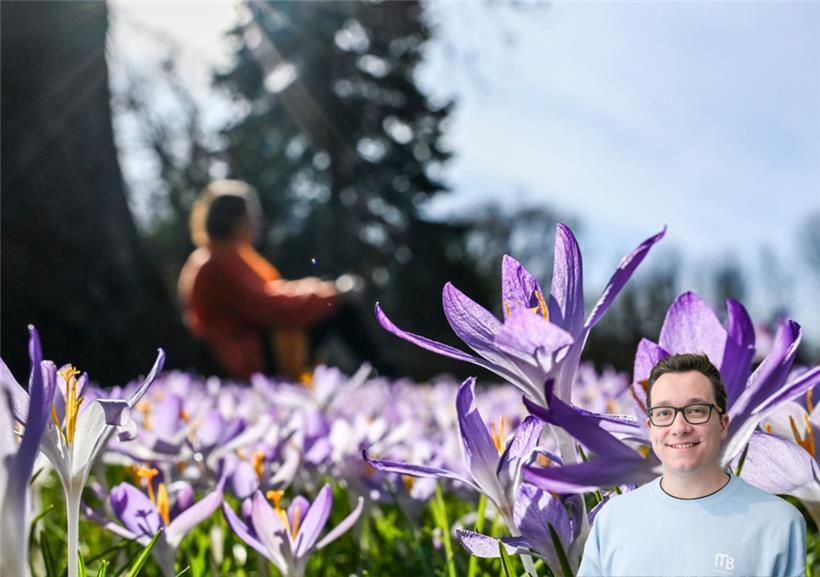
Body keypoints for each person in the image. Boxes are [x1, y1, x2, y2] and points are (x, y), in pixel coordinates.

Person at [577, 353, 806, 577]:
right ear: (649, 426)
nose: (679, 427)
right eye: (664, 413)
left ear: (723, 424)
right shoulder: (613, 518)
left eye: (697, 411)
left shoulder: (778, 521)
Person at [178, 179, 379, 381]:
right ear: (235, 221)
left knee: (329, 301)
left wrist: (330, 289)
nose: (258, 222)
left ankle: (373, 373)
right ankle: (385, 373)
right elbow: (270, 306)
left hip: (251, 348)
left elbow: (275, 293)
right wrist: (335, 293)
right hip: (247, 359)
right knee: (337, 308)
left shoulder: (225, 256)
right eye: (252, 215)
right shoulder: (216, 262)